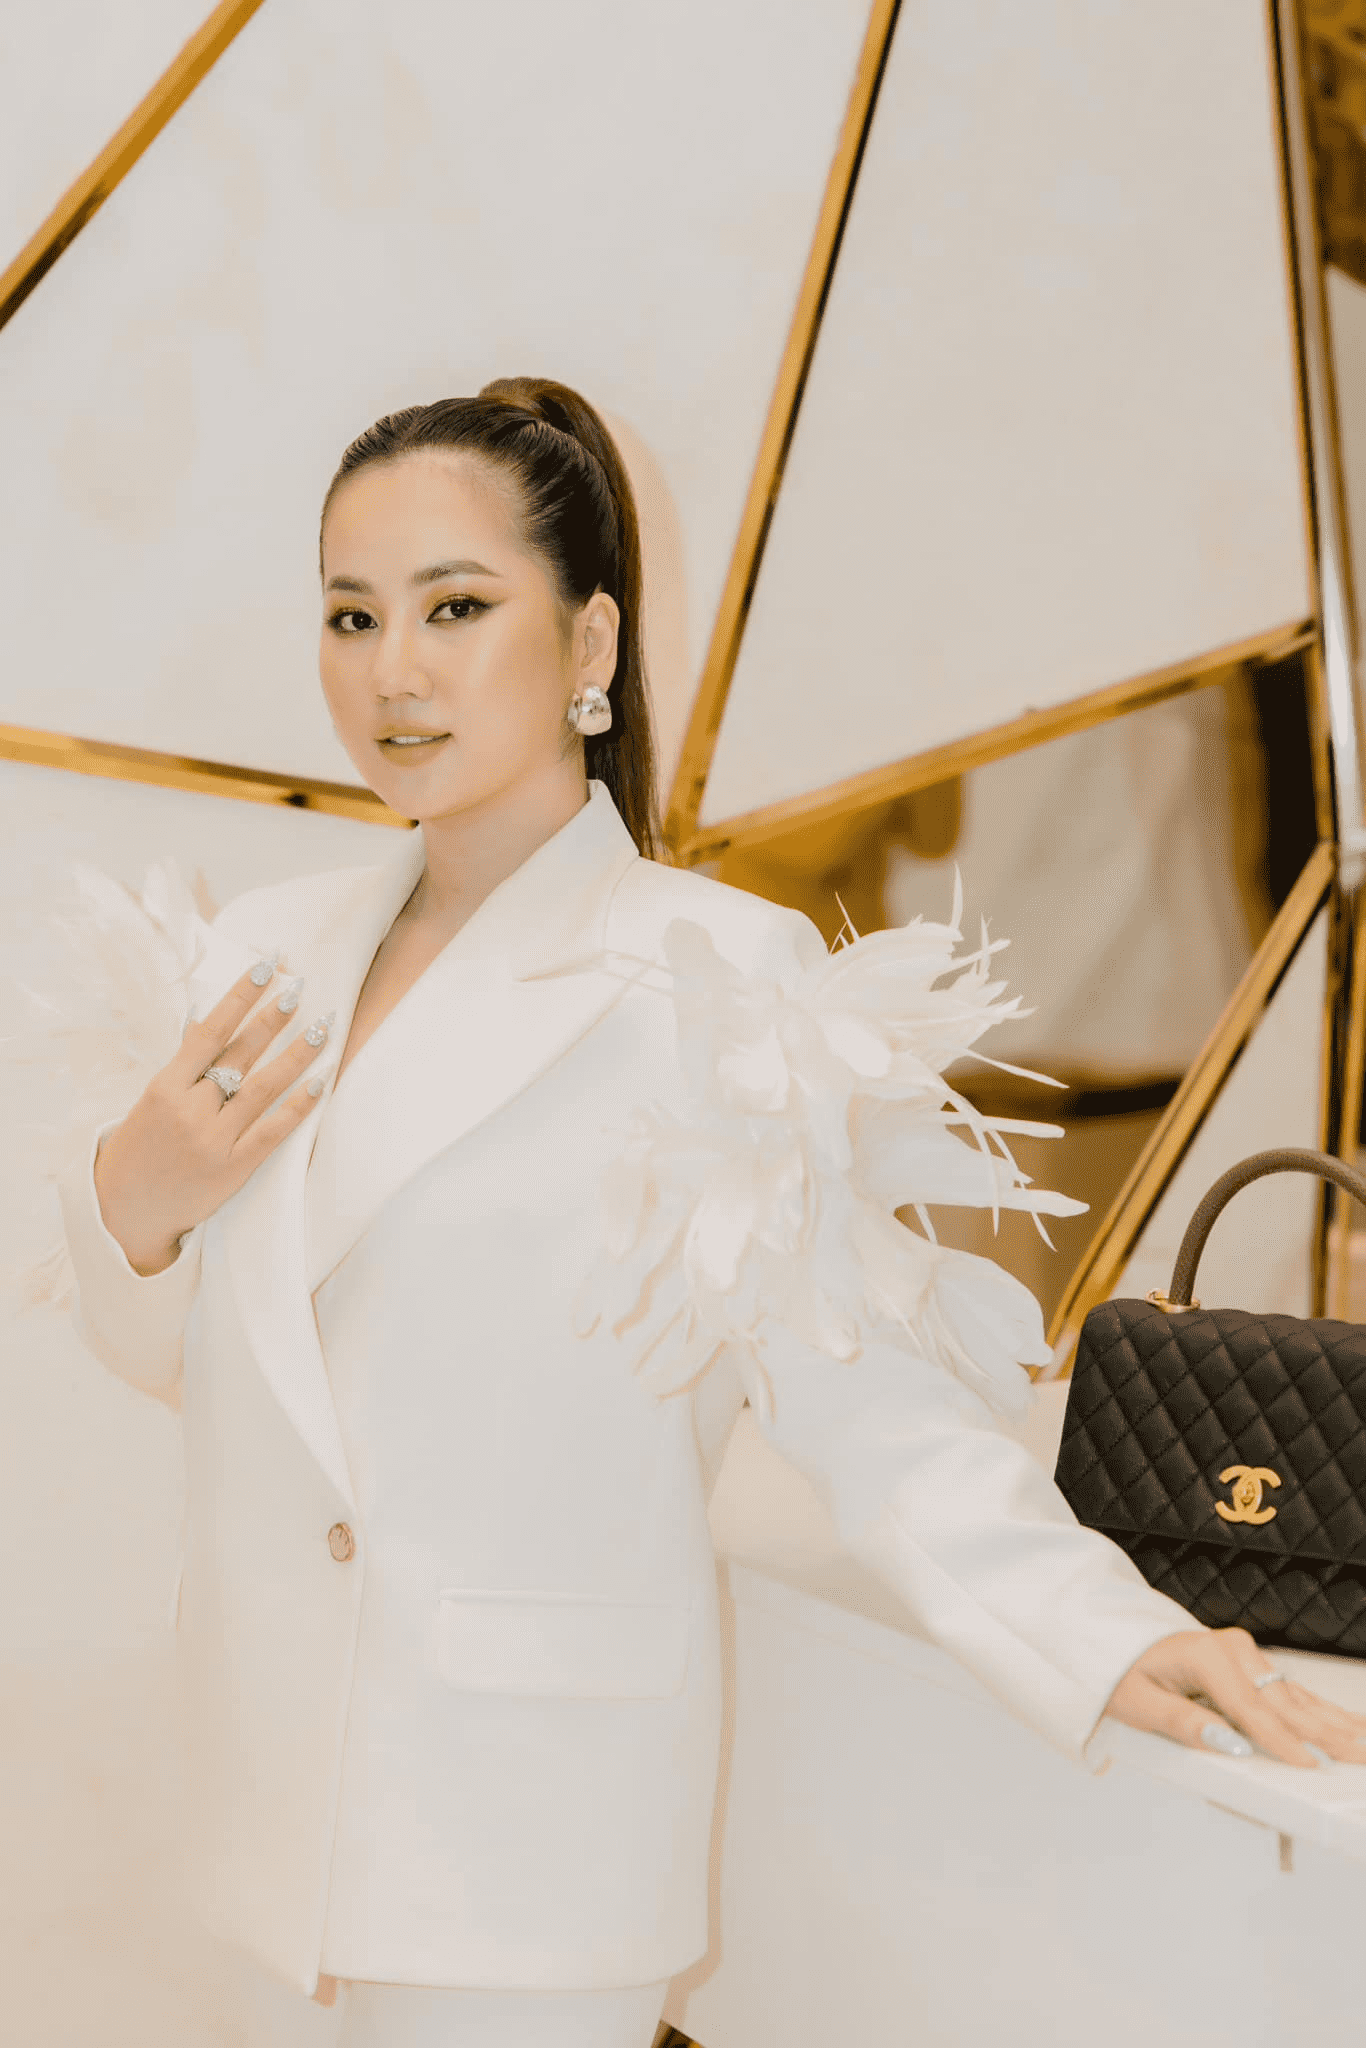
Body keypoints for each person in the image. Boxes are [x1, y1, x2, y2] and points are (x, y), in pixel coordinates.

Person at [58, 377, 1366, 2048]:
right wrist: (132, 1205)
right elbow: (200, 1364)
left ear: (590, 640)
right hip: (263, 1812)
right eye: (352, 615)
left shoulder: (712, 979)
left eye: (456, 607)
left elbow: (864, 1396)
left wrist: (1102, 1634)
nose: (393, 671)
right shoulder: (264, 954)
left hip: (524, 1839)